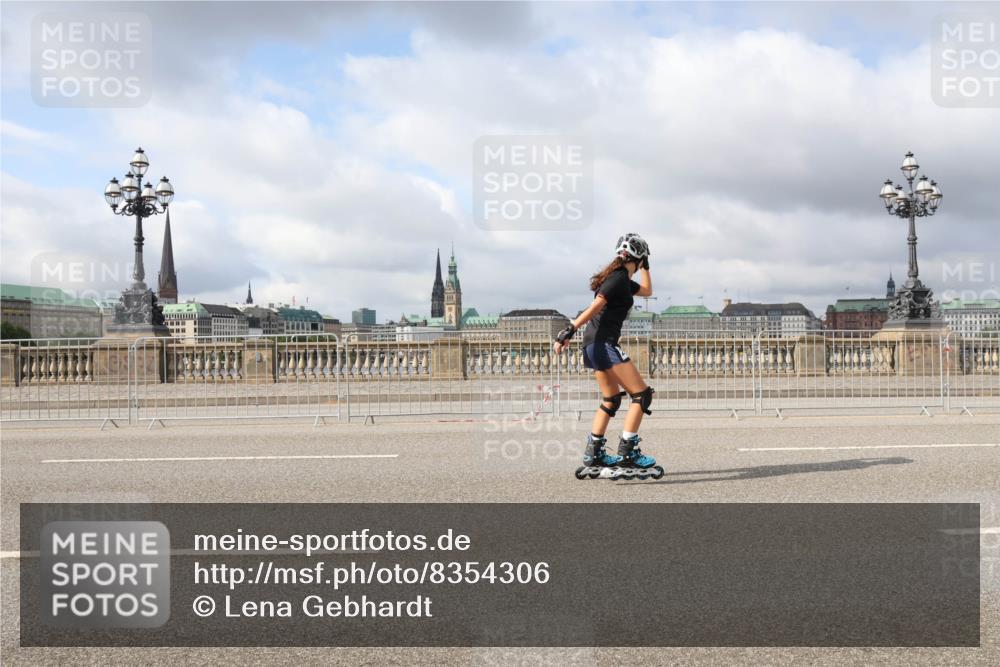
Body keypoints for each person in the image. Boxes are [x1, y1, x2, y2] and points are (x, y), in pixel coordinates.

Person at [554, 233, 663, 480]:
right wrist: (568, 330)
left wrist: (646, 266)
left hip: (593, 345)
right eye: (641, 262)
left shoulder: (621, 279)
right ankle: (628, 453)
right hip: (603, 344)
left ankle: (594, 453)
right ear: (635, 258)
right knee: (642, 395)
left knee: (612, 400)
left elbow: (647, 290)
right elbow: (595, 306)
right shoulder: (618, 280)